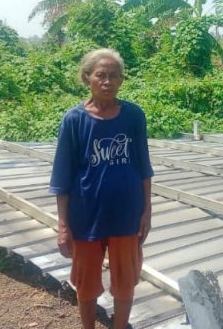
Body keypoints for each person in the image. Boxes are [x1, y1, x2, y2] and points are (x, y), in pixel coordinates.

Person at [49, 48, 154, 329]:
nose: (107, 82)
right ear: (87, 78)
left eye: (114, 76)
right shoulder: (74, 120)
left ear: (121, 80)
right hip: (86, 217)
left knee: (125, 282)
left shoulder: (133, 116)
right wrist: (63, 225)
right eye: (101, 75)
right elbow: (62, 176)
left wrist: (147, 211)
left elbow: (143, 166)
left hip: (126, 215)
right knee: (86, 284)